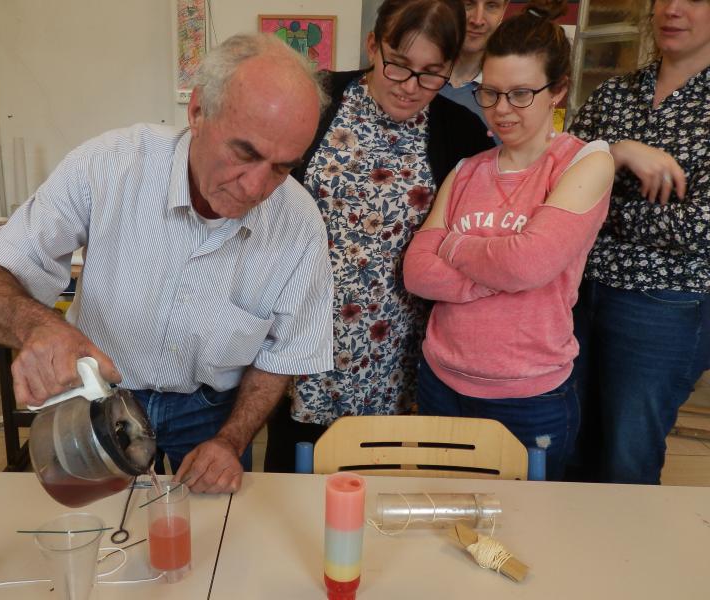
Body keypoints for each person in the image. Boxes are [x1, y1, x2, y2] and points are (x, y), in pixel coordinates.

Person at [0, 34, 334, 494]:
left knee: (206, 544)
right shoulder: (111, 165)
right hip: (98, 396)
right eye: (246, 153)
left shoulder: (298, 222)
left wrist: (230, 441)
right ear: (197, 112)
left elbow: (284, 353)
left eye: (282, 168)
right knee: (90, 524)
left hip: (211, 409)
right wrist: (37, 328)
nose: (257, 187)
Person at [263, 0, 494, 473]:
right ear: (373, 46)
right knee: (296, 479)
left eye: (432, 73)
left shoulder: (461, 130)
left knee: (386, 480)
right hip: (306, 334)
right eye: (399, 66)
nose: (411, 88)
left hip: (399, 349)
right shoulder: (319, 96)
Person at [403, 0, 615, 481]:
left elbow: (530, 264)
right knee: (443, 520)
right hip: (442, 382)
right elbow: (417, 271)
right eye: (491, 93)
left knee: (525, 532)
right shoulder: (466, 170)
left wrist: (454, 246)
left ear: (557, 91)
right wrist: (496, 275)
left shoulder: (584, 162)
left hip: (529, 395)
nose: (501, 110)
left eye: (520, 94)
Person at [568, 0, 710, 484]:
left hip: (664, 304)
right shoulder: (616, 93)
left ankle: (626, 558)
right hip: (577, 294)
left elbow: (700, 228)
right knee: (572, 437)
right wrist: (618, 150)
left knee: (626, 453)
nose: (673, 9)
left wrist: (598, 210)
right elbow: (559, 173)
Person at [439, 0, 511, 128]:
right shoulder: (412, 74)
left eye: (491, 6)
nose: (477, 21)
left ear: (504, 9)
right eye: (468, 4)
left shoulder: (515, 92)